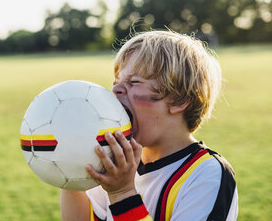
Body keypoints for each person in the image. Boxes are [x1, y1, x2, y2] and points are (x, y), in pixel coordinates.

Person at [61, 30, 238, 221]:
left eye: (134, 82)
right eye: (117, 81)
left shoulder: (206, 174)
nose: (115, 89)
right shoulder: (117, 163)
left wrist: (122, 193)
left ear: (180, 100)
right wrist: (70, 172)